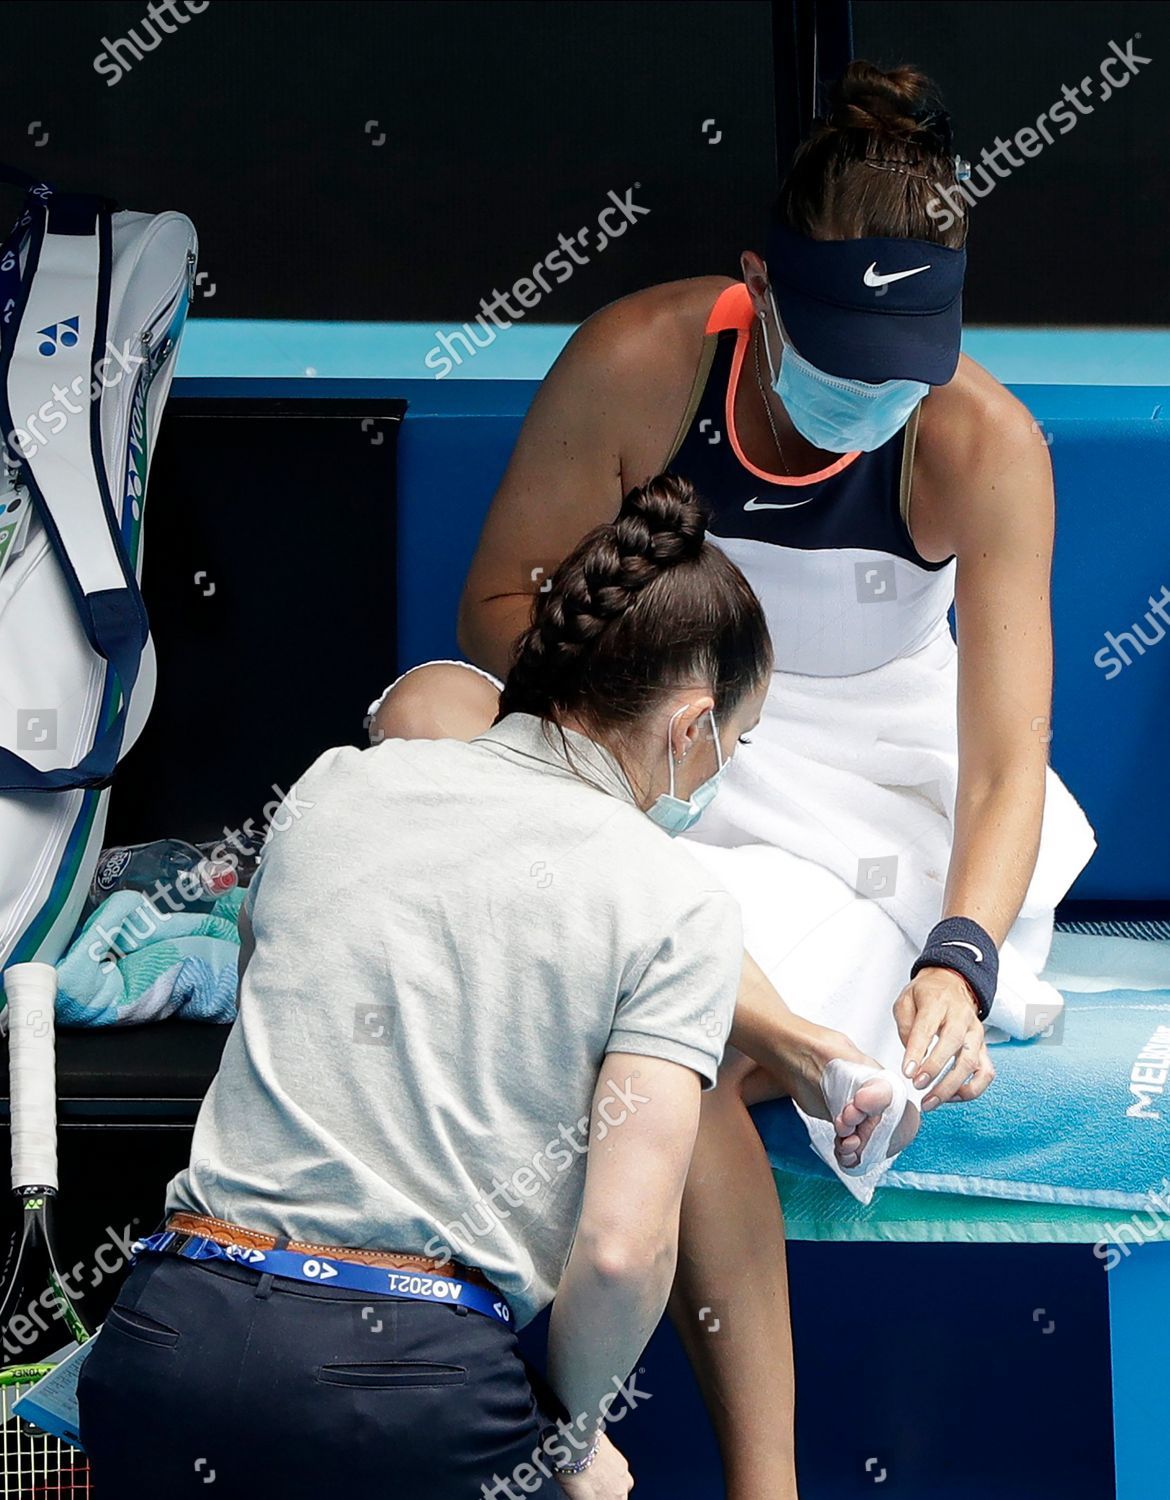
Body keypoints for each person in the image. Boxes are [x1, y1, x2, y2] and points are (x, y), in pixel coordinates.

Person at [366, 60, 1096, 1500]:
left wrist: (955, 961)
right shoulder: (637, 361)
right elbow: (497, 613)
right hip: (644, 749)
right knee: (429, 717)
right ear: (755, 292)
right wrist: (634, 744)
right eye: (842, 361)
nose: (870, 401)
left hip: (865, 811)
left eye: (904, 371)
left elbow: (1007, 762)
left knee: (668, 1041)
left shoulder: (988, 445)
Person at [77, 477, 890, 1499]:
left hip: (161, 1347)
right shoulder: (675, 901)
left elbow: (272, 1016)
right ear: (693, 726)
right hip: (410, 1394)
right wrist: (572, 1438)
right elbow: (621, 1254)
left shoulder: (332, 786)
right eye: (740, 740)